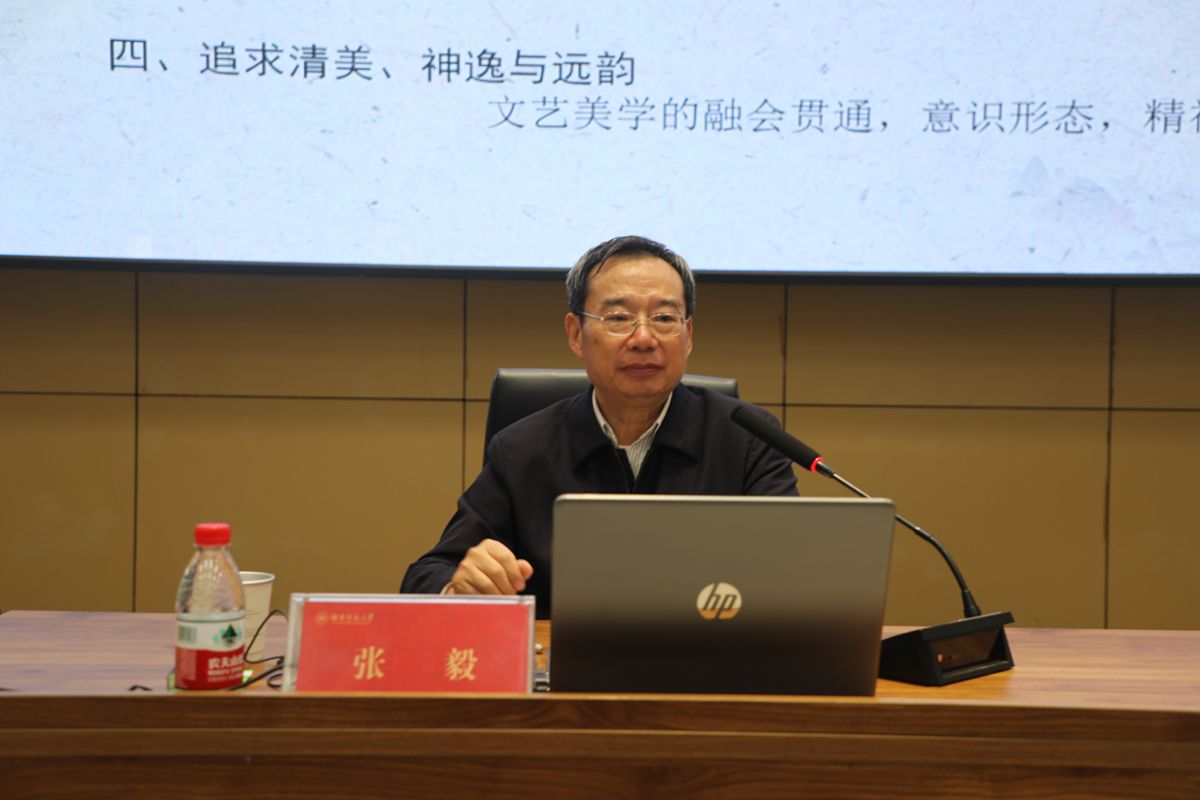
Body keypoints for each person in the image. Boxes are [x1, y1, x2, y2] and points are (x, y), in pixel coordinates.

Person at [401, 235, 797, 617]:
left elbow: (794, 573)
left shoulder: (749, 439)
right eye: (618, 318)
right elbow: (427, 575)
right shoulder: (522, 449)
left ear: (688, 335)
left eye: (664, 318)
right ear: (576, 334)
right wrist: (460, 587)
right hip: (562, 660)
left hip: (711, 655)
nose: (643, 338)